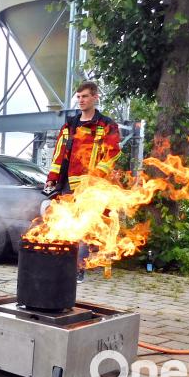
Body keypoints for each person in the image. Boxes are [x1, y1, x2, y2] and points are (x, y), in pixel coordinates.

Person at [44, 81, 121, 283]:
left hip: (93, 187)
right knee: (65, 224)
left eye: (85, 96)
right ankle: (63, 266)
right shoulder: (70, 124)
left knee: (83, 227)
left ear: (95, 98)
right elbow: (59, 153)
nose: (81, 100)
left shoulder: (106, 125)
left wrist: (96, 177)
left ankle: (78, 270)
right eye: (78, 97)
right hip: (69, 184)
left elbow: (113, 153)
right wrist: (52, 179)